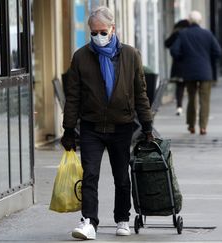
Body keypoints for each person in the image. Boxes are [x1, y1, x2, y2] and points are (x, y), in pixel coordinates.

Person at [60, 6, 153, 240]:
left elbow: (140, 93)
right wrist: (69, 129)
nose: (98, 37)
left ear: (113, 29)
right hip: (91, 127)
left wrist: (147, 126)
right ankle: (89, 222)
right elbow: (73, 96)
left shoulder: (130, 55)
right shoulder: (81, 57)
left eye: (102, 31)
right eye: (93, 32)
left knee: (121, 176)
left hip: (121, 126)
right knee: (90, 174)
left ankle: (122, 218)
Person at [170, 10, 222, 135]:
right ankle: (203, 127)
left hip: (189, 71)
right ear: (200, 21)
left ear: (189, 21)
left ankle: (191, 125)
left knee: (192, 98)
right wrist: (207, 58)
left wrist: (183, 59)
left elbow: (174, 50)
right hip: (205, 71)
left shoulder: (183, 34)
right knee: (205, 99)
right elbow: (218, 52)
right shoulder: (207, 34)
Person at [165, 19, 190, 116]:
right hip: (189, 64)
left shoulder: (177, 33)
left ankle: (179, 107)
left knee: (180, 87)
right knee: (192, 87)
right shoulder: (189, 34)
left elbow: (167, 43)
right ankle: (193, 109)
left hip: (178, 65)